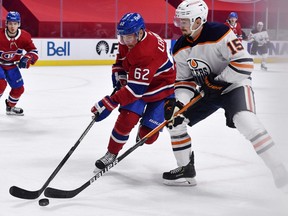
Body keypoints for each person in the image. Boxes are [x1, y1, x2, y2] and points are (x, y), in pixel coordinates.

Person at [162, 0, 288, 191]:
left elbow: (244, 64)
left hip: (234, 86)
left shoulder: (219, 33)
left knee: (245, 120)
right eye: (179, 21)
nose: (181, 25)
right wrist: (180, 103)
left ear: (198, 20)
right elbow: (184, 81)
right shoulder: (179, 47)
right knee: (175, 122)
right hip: (207, 91)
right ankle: (185, 168)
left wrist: (217, 81)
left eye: (185, 21)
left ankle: (279, 168)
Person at [91, 12, 176, 170]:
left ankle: (145, 125)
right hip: (139, 86)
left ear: (140, 32)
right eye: (121, 37)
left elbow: (135, 90)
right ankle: (111, 153)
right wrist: (119, 76)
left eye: (128, 37)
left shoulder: (147, 52)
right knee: (126, 120)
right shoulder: (129, 40)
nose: (124, 41)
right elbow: (120, 63)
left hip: (161, 90)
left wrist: (110, 102)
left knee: (147, 137)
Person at [0, 11, 38, 116]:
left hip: (11, 65)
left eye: (15, 23)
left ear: (19, 24)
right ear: (6, 23)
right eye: (10, 23)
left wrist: (27, 58)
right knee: (0, 85)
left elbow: (34, 51)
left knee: (19, 89)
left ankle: (10, 107)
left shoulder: (24, 37)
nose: (12, 26)